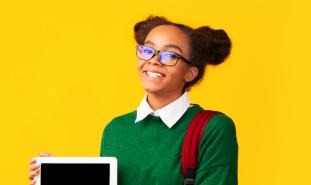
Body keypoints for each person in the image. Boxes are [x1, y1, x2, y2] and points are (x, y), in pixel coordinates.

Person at [29, 16, 238, 185]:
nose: (153, 60)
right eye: (147, 50)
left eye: (169, 55)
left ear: (190, 73)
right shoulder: (115, 129)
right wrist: (63, 175)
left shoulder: (213, 128)